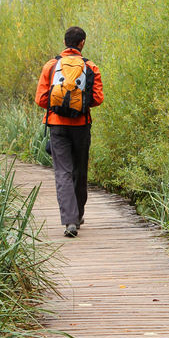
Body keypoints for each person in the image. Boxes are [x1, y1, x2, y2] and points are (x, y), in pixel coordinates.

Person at [35, 26, 104, 237]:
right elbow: (98, 98)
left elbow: (40, 99)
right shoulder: (90, 67)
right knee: (80, 171)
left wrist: (58, 106)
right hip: (82, 126)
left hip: (57, 126)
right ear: (81, 43)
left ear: (65, 42)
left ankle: (69, 221)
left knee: (62, 172)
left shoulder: (52, 65)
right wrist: (79, 105)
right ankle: (78, 215)